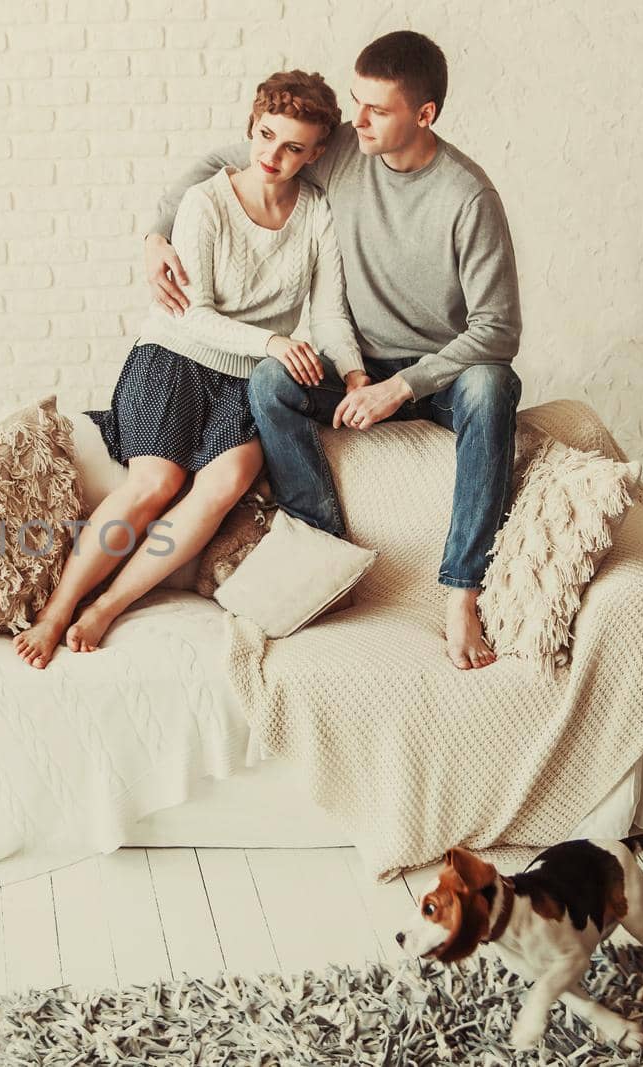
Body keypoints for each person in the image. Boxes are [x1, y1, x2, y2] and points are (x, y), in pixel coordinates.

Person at [144, 30, 522, 671]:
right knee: (270, 381)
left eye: (378, 108)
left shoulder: (469, 198)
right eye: (356, 102)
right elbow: (223, 162)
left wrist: (401, 388)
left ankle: (462, 589)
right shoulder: (343, 146)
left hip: (436, 375)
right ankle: (322, 550)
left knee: (492, 383)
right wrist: (156, 234)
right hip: (355, 363)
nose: (360, 119)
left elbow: (497, 330)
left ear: (424, 115)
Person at [14, 70, 362, 670]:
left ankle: (107, 606)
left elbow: (328, 313)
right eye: (264, 136)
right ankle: (57, 608)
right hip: (173, 358)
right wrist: (276, 342)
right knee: (156, 484)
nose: (272, 156)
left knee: (222, 488)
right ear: (251, 127)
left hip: (245, 378)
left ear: (317, 153)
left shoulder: (315, 213)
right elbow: (192, 315)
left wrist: (355, 376)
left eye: (292, 147)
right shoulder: (207, 200)